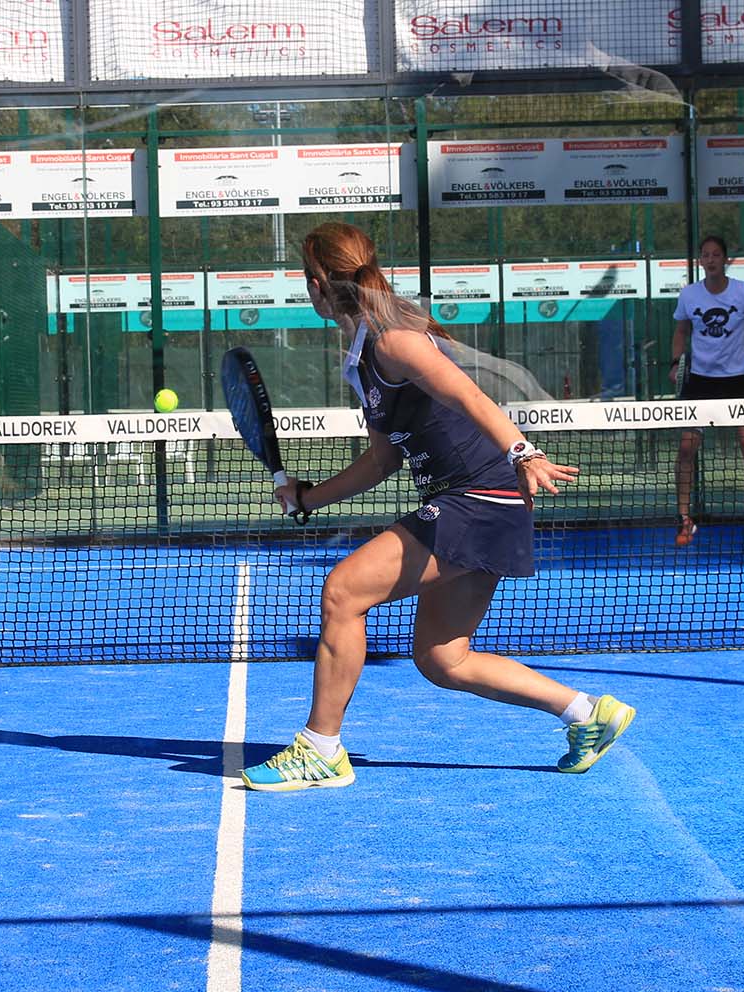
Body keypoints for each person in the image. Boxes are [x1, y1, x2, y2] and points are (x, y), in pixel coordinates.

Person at [242, 222, 637, 792]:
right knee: (442, 657)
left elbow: (471, 394)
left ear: (317, 284)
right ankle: (589, 714)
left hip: (481, 495)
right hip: (476, 499)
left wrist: (524, 452)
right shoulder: (360, 355)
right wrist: (308, 496)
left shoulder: (394, 341)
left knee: (343, 591)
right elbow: (383, 461)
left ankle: (320, 750)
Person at [669, 235, 744, 549]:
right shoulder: (689, 295)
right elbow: (679, 332)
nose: (711, 259)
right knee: (687, 448)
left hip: (739, 381)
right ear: (701, 261)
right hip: (700, 382)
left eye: (716, 254)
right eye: (706, 255)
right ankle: (684, 520)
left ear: (725, 260)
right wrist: (676, 362)